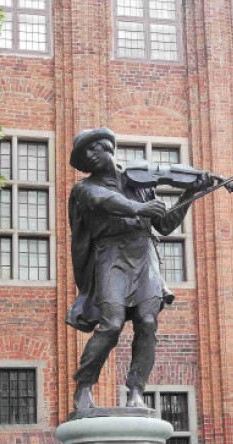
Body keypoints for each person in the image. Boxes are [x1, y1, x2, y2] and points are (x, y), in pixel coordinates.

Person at [66, 127, 210, 412]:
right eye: (83, 155)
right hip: (111, 256)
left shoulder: (140, 183)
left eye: (93, 148)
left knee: (147, 321)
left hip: (145, 255)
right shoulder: (84, 188)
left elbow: (165, 225)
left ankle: (136, 391)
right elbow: (104, 200)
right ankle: (84, 385)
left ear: (107, 146)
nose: (89, 156)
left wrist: (190, 193)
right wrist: (139, 208)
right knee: (112, 324)